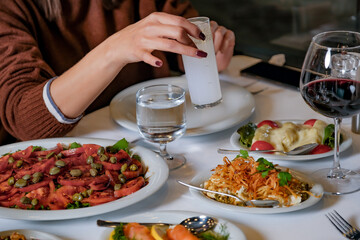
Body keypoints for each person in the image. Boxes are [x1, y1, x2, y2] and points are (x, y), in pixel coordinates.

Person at [0, 0, 235, 144]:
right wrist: (114, 50)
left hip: (156, 140)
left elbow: (180, 48)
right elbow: (27, 121)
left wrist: (211, 51)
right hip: (64, 161)